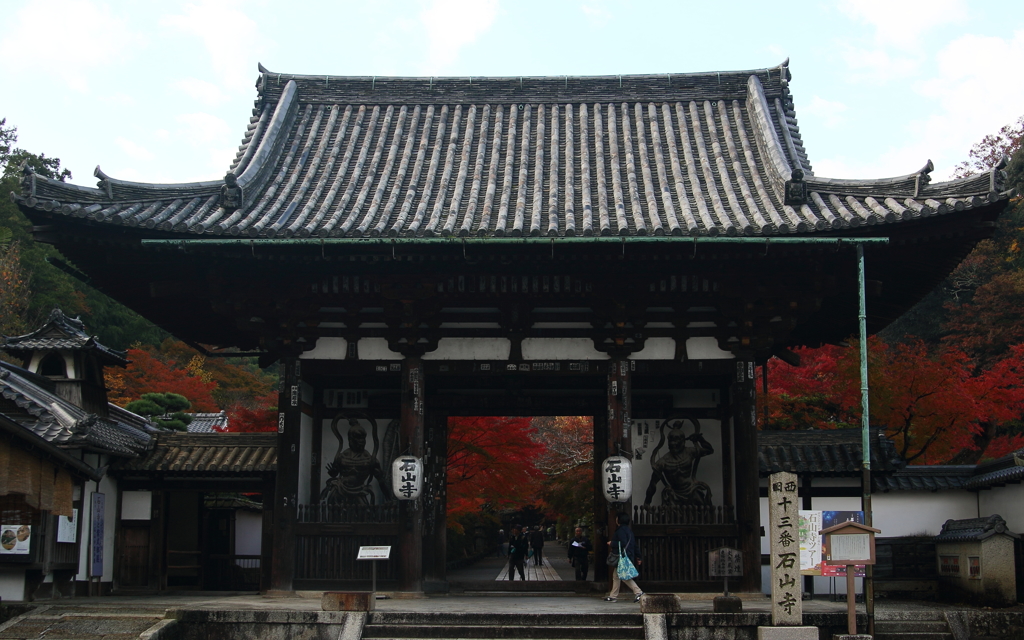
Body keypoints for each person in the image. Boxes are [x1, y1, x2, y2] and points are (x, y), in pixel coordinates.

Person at [644, 421, 714, 507]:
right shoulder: (663, 462)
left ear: (683, 441)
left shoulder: (689, 452)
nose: (673, 444)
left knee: (703, 509)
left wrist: (700, 439)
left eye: (677, 440)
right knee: (669, 514)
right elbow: (653, 484)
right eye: (671, 441)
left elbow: (709, 450)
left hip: (691, 489)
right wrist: (647, 502)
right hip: (674, 493)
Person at [322, 422, 387, 505]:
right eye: (357, 438)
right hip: (341, 488)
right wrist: (332, 472)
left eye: (363, 438)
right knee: (336, 513)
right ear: (350, 439)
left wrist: (388, 497)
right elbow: (335, 473)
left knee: (363, 513)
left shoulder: (369, 459)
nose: (361, 441)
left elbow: (381, 480)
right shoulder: (342, 457)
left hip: (359, 490)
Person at [605, 512, 643, 602]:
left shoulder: (620, 530)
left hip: (622, 556)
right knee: (616, 576)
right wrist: (639, 556)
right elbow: (634, 545)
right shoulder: (629, 531)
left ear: (618, 520)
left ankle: (638, 592)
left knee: (623, 576)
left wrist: (612, 543)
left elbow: (622, 543)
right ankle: (613, 595)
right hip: (628, 555)